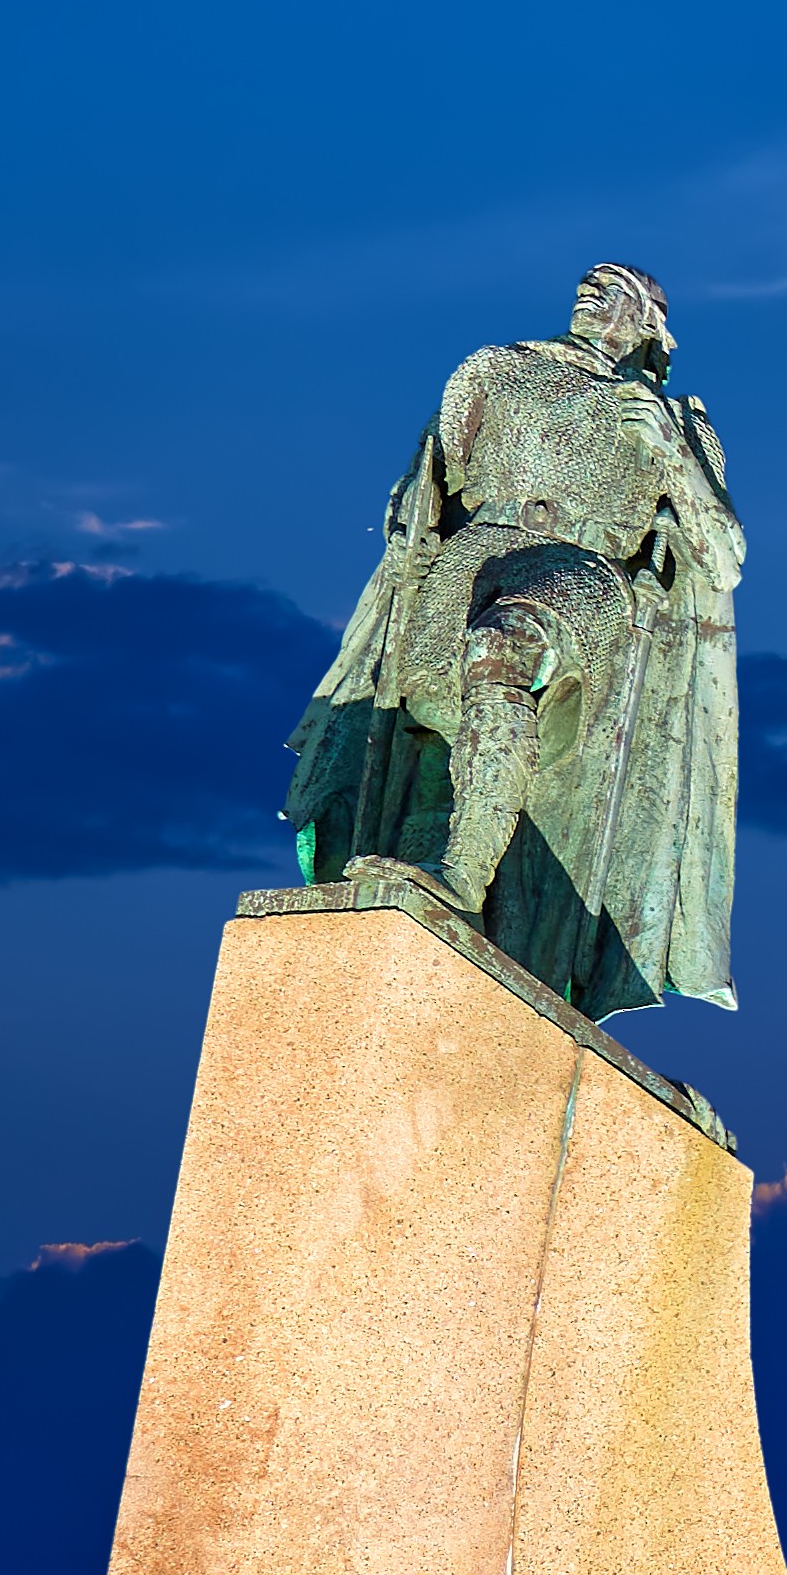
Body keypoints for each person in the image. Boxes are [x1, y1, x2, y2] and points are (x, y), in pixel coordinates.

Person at [284, 265, 745, 1018]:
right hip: (471, 560)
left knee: (505, 646)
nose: (594, 293)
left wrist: (671, 456)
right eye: (590, 283)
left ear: (655, 328)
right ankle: (462, 901)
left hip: (585, 570)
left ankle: (461, 873)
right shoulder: (495, 369)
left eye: (619, 288)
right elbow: (430, 485)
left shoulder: (675, 419)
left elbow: (723, 557)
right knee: (431, 724)